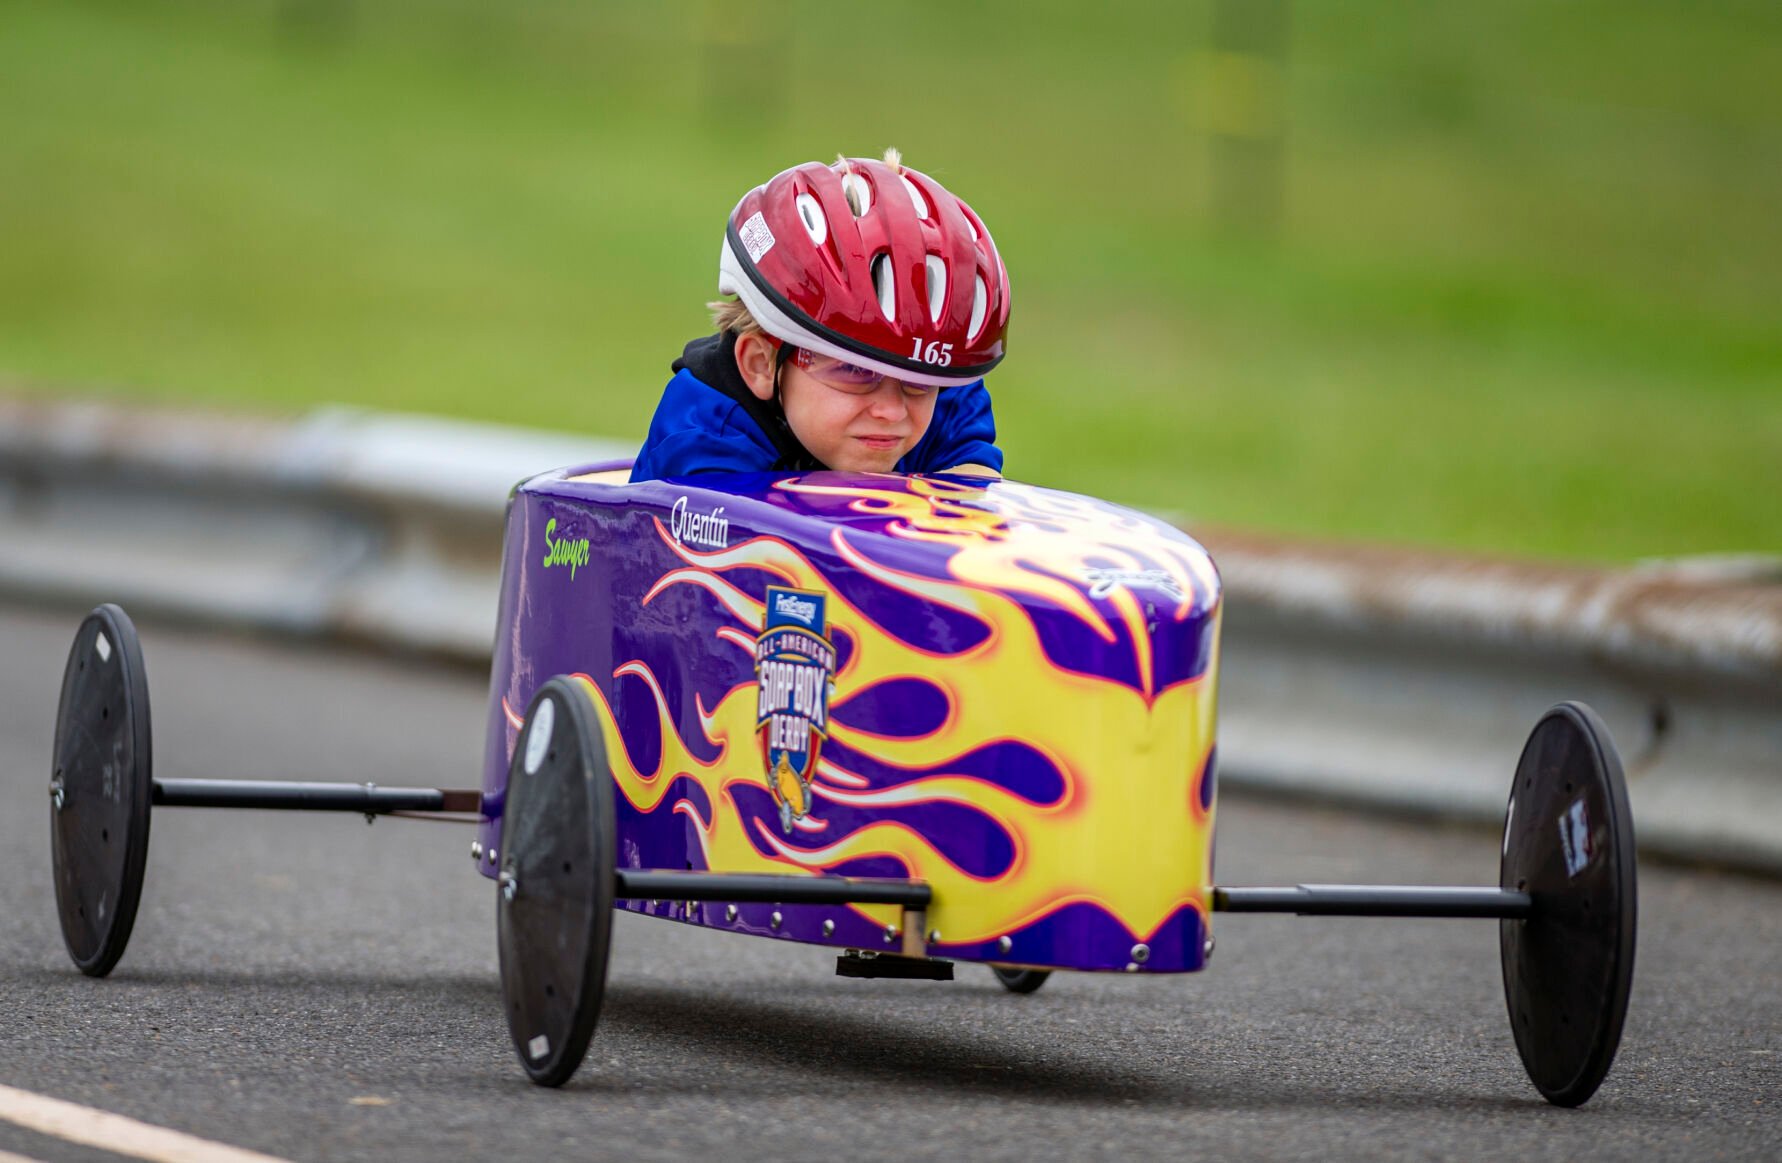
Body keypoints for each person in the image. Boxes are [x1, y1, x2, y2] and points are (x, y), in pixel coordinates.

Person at [631, 149, 1011, 481]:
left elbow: (970, 514)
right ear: (762, 364)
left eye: (917, 382)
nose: (892, 410)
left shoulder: (945, 393)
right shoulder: (705, 438)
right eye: (856, 371)